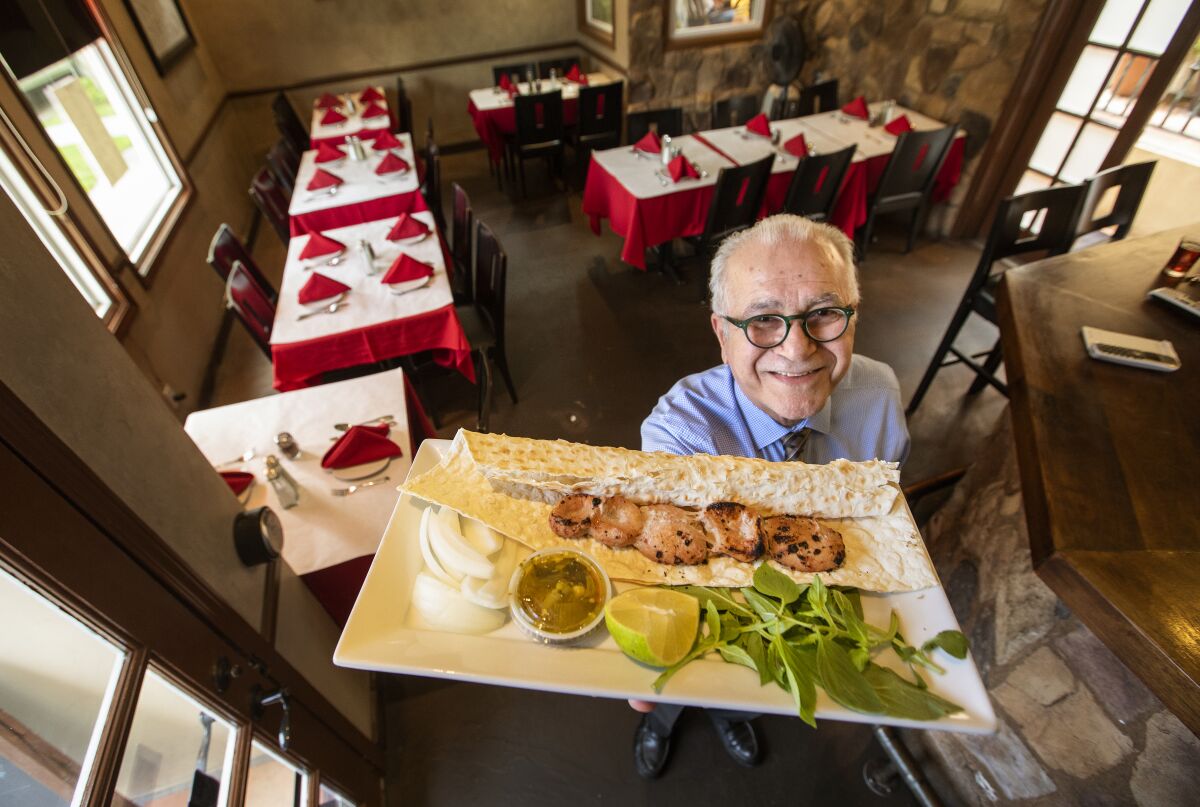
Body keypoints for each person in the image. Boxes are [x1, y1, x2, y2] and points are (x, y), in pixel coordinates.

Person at [631, 214, 910, 779]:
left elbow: (885, 518)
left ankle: (735, 713)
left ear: (853, 315)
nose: (797, 349)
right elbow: (680, 592)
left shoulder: (879, 393)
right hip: (716, 621)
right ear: (721, 331)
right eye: (762, 320)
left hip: (806, 627)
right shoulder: (681, 433)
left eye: (824, 314)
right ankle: (659, 726)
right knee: (676, 685)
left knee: (748, 690)